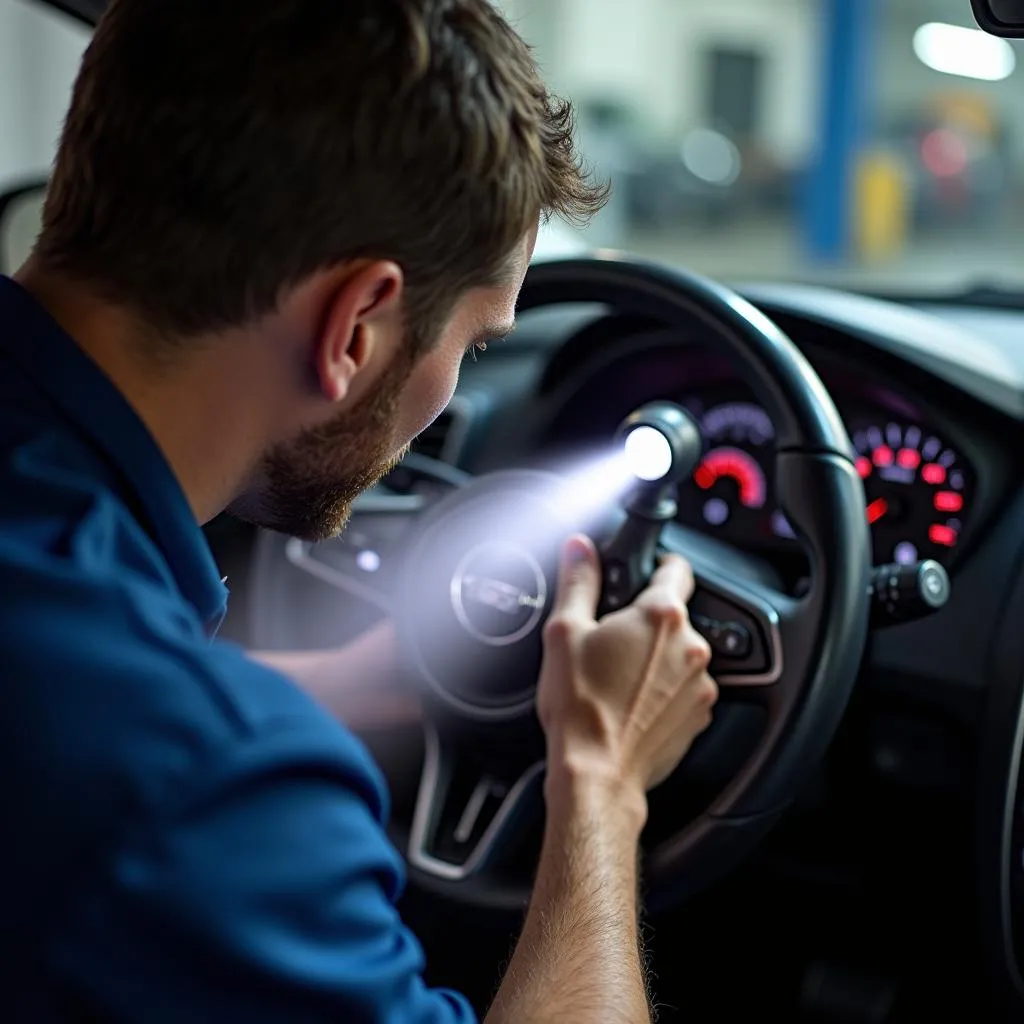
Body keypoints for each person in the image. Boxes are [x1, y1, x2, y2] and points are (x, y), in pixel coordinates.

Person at [0, 1, 717, 1020]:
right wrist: (601, 777)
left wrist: (373, 675)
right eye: (472, 345)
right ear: (356, 324)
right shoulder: (211, 790)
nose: (457, 383)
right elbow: (145, 747)